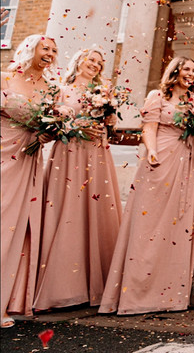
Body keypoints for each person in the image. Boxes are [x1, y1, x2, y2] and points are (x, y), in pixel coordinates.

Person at [99, 56, 194, 315]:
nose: (190, 73)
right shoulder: (157, 96)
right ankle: (136, 294)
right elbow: (148, 128)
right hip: (160, 161)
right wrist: (153, 151)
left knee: (177, 224)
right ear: (175, 71)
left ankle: (168, 295)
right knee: (150, 224)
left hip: (186, 163)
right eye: (186, 68)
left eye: (193, 70)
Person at [34, 47, 122, 310]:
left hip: (96, 155)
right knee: (68, 210)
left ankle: (98, 284)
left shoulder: (103, 92)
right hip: (69, 156)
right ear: (78, 61)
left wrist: (109, 116)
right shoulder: (60, 90)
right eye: (91, 60)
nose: (95, 65)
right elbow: (49, 125)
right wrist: (75, 126)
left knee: (96, 211)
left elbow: (112, 127)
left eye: (99, 62)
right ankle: (63, 288)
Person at [1, 34, 58, 327]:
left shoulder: (51, 89)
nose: (50, 52)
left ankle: (5, 300)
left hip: (29, 158)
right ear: (29, 49)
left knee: (16, 227)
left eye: (54, 50)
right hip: (3, 152)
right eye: (44, 47)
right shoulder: (5, 78)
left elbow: (46, 128)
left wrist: (47, 134)